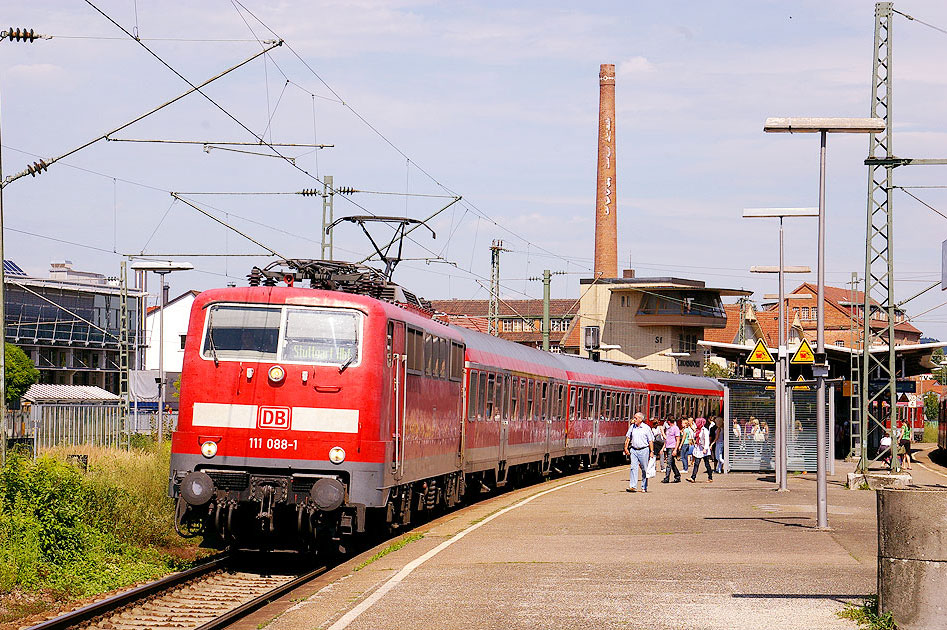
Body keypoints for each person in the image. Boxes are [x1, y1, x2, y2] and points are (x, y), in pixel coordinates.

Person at [623, 412, 654, 493]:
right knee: (633, 467)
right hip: (634, 450)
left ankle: (644, 486)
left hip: (644, 450)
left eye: (635, 418)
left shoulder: (646, 428)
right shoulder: (632, 427)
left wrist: (652, 451)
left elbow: (650, 441)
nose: (634, 420)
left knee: (644, 469)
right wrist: (625, 448)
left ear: (640, 419)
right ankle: (633, 486)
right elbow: (628, 438)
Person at [688, 417, 714, 483]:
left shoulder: (705, 430)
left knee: (707, 464)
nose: (696, 424)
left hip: (703, 449)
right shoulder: (697, 430)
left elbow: (707, 440)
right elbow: (695, 436)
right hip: (698, 449)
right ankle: (693, 477)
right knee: (696, 463)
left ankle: (710, 477)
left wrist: (705, 448)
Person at [662, 417, 682, 483]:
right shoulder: (668, 429)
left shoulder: (675, 428)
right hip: (668, 447)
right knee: (672, 463)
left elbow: (678, 439)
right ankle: (677, 475)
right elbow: (666, 439)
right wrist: (663, 447)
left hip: (672, 447)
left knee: (669, 463)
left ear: (669, 421)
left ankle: (667, 478)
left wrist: (675, 449)